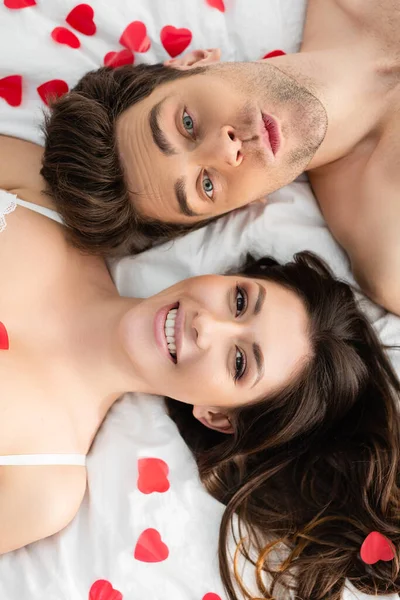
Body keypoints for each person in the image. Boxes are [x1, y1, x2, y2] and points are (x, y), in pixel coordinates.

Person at [0, 136, 399, 599]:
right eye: (240, 300)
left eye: (238, 362)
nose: (206, 326)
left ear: (217, 415)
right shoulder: (47, 196)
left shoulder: (43, 487)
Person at [41, 0, 400, 316]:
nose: (228, 150)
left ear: (193, 62)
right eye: (207, 184)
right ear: (243, 206)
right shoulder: (391, 254)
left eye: (186, 123)